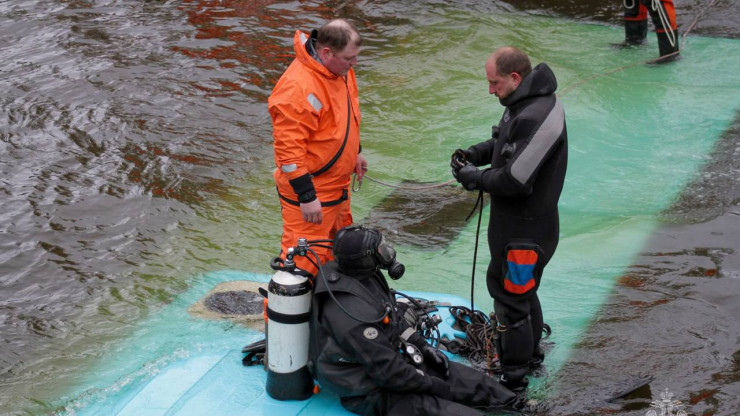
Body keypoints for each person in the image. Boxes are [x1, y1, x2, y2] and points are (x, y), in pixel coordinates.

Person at [450, 47, 568, 395]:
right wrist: (475, 154)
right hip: (521, 229)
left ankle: (513, 381)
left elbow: (516, 180)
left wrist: (474, 178)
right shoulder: (525, 102)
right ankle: (531, 357)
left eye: (494, 83)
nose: (490, 90)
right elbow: (507, 144)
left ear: (515, 78)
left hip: (524, 235)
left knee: (511, 302)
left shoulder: (536, 115)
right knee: (522, 293)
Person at [310, 225, 520, 416]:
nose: (387, 252)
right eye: (380, 249)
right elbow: (388, 373)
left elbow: (390, 315)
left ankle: (521, 408)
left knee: (482, 386)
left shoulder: (366, 274)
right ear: (364, 258)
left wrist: (424, 347)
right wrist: (431, 385)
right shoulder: (354, 317)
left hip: (394, 362)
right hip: (369, 389)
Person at [268, 19, 368, 277]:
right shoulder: (297, 88)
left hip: (337, 187)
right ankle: (279, 315)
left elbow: (346, 114)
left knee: (338, 254)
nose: (354, 63)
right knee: (302, 264)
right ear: (326, 53)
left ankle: (325, 311)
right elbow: (288, 152)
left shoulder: (340, 70)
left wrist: (356, 151)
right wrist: (307, 197)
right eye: (349, 58)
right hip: (313, 191)